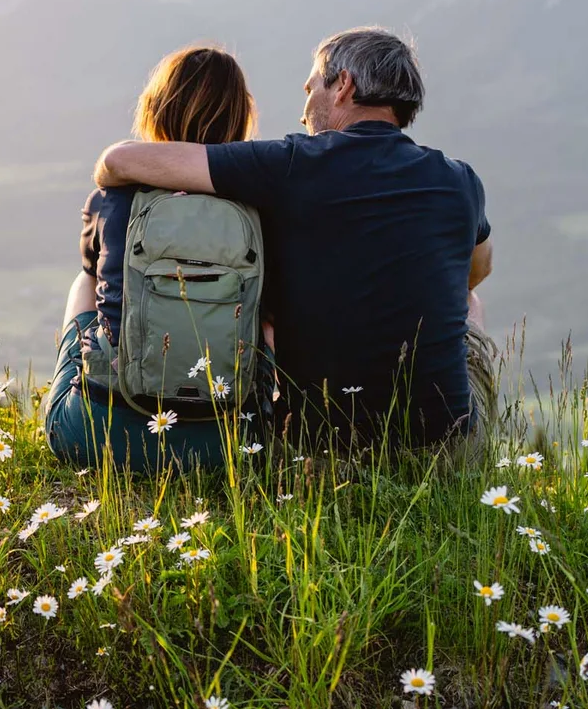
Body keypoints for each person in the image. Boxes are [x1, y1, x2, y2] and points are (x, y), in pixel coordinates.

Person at [93, 26, 495, 443]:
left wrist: (106, 168)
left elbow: (122, 161)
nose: (304, 111)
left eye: (311, 88)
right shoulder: (460, 181)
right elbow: (475, 271)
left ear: (344, 86)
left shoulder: (289, 165)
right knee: (470, 302)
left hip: (318, 450)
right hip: (444, 451)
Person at [43, 45, 260, 471]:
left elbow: (98, 277)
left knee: (87, 279)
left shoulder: (111, 197)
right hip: (227, 447)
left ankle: (83, 378)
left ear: (156, 110)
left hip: (96, 434)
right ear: (240, 116)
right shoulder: (257, 207)